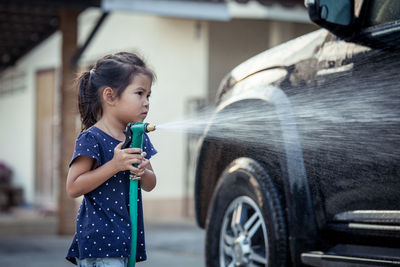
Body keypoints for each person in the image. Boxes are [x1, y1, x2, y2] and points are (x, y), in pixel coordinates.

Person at [65, 52, 157, 266]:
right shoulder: (92, 138)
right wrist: (114, 165)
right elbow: (73, 187)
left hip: (127, 240)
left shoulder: (137, 137)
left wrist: (143, 172)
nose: (146, 103)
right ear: (110, 96)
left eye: (149, 96)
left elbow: (151, 184)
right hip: (100, 243)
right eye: (139, 93)